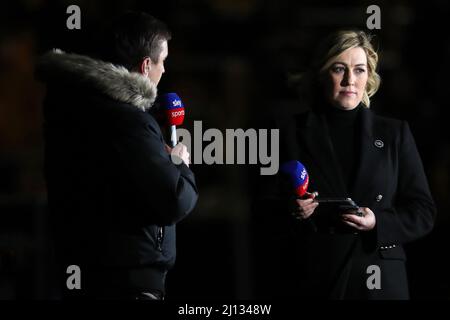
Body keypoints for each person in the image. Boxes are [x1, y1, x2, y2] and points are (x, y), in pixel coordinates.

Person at [253, 30, 436, 299]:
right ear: (321, 74)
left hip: (380, 281)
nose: (350, 80)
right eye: (340, 69)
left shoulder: (394, 133)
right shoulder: (286, 132)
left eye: (360, 70)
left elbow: (423, 212)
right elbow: (260, 207)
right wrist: (292, 210)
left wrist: (378, 223)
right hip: (314, 277)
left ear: (369, 77)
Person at [36, 11, 198, 299]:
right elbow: (175, 199)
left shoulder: (81, 109)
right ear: (146, 65)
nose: (165, 71)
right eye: (163, 62)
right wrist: (179, 163)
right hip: (127, 284)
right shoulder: (127, 122)